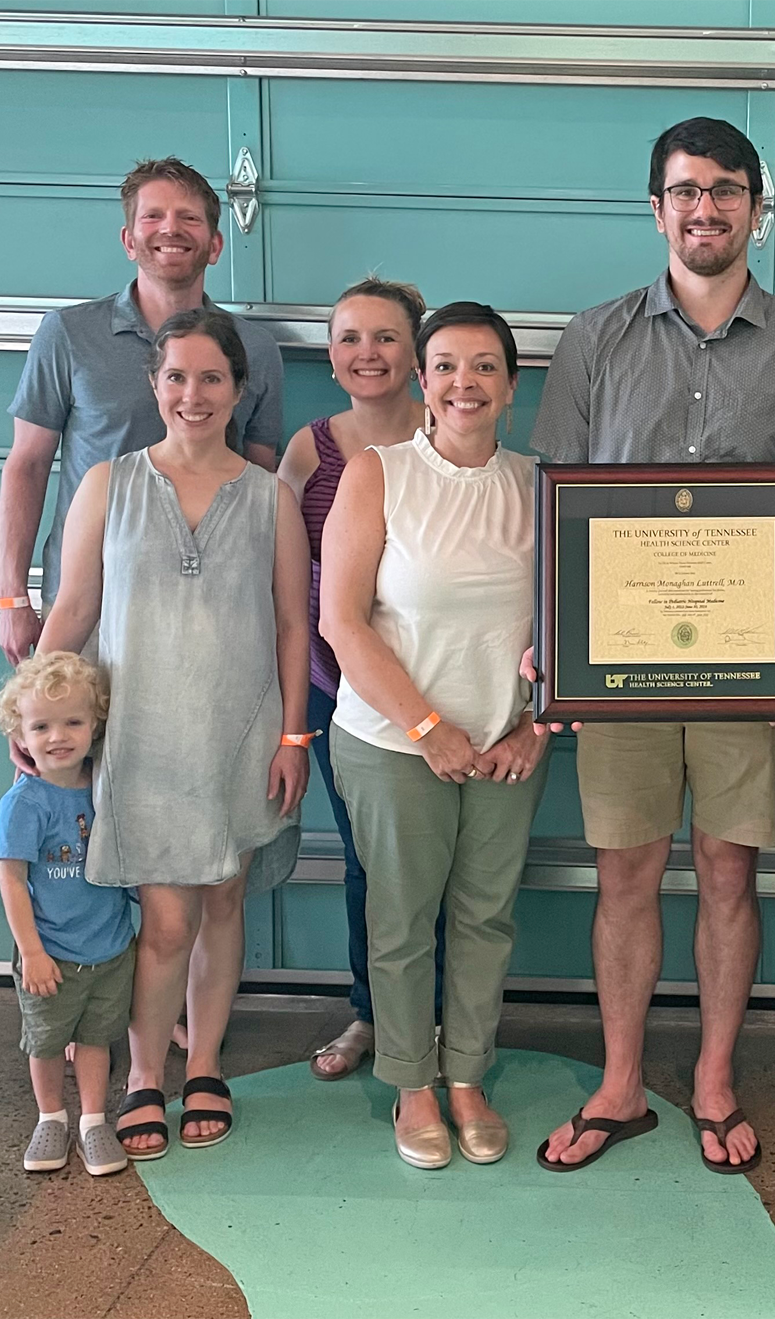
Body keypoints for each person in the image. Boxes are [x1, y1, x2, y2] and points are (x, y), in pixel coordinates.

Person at [530, 117, 775, 1175]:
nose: (702, 208)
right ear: (654, 207)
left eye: (723, 189)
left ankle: (711, 1075)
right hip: (616, 666)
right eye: (682, 191)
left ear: (757, 206)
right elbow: (556, 501)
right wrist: (551, 640)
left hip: (747, 667)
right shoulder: (594, 337)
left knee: (725, 867)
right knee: (623, 869)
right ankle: (620, 1083)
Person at [38, 308, 310, 1160]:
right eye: (177, 377)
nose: (193, 395)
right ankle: (145, 1075)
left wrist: (293, 737)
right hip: (143, 735)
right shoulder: (107, 485)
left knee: (223, 900)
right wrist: (34, 706)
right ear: (154, 385)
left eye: (212, 378)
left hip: (239, 731)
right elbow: (75, 608)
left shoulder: (272, 497)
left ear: (240, 388)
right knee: (164, 920)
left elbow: (294, 627)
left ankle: (208, 1064)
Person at [321, 302, 550, 1169]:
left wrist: (538, 724)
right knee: (403, 920)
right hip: (391, 743)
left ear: (511, 384)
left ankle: (466, 1078)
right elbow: (342, 622)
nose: (465, 383)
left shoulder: (539, 483)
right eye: (447, 365)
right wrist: (425, 727)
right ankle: (413, 1084)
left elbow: (578, 627)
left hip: (505, 745)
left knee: (486, 918)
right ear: (423, 381)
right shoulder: (377, 473)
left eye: (484, 366)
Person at [0, 156, 285, 663]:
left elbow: (261, 480)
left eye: (189, 218)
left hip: (207, 602)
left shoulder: (255, 348)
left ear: (215, 246)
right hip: (86, 600)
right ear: (129, 240)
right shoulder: (67, 334)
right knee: (68, 738)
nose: (170, 228)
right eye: (152, 216)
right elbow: (27, 464)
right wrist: (12, 597)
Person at [275, 276, 436, 1082]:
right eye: (348, 338)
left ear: (415, 353)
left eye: (384, 337)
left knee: (450, 869)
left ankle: (447, 1022)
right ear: (331, 356)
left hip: (445, 688)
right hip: (339, 691)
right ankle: (374, 1015)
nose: (365, 353)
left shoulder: (451, 432)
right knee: (370, 864)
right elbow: (284, 584)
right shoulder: (311, 449)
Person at [0, 650, 132, 1179]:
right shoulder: (24, 804)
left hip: (111, 948)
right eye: (41, 725)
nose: (59, 736)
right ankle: (51, 1116)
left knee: (97, 1037)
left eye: (73, 721)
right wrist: (31, 951)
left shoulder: (106, 786)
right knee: (48, 1042)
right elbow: (11, 878)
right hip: (50, 954)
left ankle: (94, 1120)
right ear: (20, 735)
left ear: (95, 723)